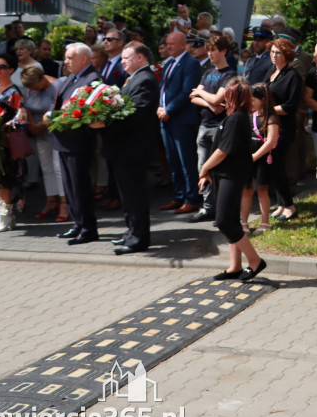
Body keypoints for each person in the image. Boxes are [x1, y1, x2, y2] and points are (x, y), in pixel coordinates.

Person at [200, 80, 267, 282]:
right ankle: (235, 266)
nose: (224, 98)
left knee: (223, 221)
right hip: (224, 174)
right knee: (231, 220)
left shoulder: (237, 118)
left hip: (232, 174)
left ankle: (255, 261)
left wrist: (204, 168)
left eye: (228, 95)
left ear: (233, 97)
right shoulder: (232, 117)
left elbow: (223, 150)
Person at [98, 43, 159, 254]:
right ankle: (131, 231)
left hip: (133, 148)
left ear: (140, 58)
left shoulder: (145, 80)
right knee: (127, 195)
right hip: (123, 148)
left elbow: (136, 114)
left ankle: (139, 238)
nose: (122, 61)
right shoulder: (135, 78)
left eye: (126, 58)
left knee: (135, 195)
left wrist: (105, 122)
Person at [52, 43, 102, 245]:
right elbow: (58, 100)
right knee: (69, 186)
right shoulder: (72, 77)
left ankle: (88, 228)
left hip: (78, 140)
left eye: (70, 57)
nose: (66, 61)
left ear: (84, 59)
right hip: (64, 139)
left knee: (79, 186)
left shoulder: (91, 78)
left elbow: (82, 108)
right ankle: (78, 223)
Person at [188, 36, 237, 224]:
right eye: (208, 50)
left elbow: (219, 99)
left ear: (223, 51)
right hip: (205, 124)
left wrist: (202, 94)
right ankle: (208, 207)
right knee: (203, 168)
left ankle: (221, 209)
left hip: (219, 126)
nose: (209, 54)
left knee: (218, 169)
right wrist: (208, 103)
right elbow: (193, 97)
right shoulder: (208, 72)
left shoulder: (229, 74)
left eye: (213, 50)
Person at [157, 31, 202, 216]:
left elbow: (187, 92)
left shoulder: (191, 64)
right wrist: (160, 107)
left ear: (183, 44)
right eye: (167, 43)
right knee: (173, 162)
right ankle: (179, 195)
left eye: (171, 44)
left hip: (182, 121)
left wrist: (169, 110)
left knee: (186, 162)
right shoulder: (169, 63)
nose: (168, 47)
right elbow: (164, 89)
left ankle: (191, 199)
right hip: (166, 120)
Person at [20, 66, 68, 222]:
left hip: (55, 132)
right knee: (46, 168)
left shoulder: (57, 86)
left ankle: (64, 203)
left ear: (42, 78)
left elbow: (61, 112)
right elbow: (27, 107)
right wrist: (32, 124)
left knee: (58, 167)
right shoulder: (32, 87)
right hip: (39, 132)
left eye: (34, 86)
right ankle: (50, 201)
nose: (33, 89)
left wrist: (38, 126)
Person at [266, 37, 304, 221]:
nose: (274, 55)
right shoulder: (272, 72)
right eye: (272, 52)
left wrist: (267, 110)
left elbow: (290, 105)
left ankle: (289, 206)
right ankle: (282, 204)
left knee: (276, 164)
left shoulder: (292, 76)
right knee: (272, 166)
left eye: (278, 52)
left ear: (287, 54)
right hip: (269, 125)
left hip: (284, 127)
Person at [0, 56, 25, 233]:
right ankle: (4, 215)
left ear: (11, 70)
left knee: (5, 178)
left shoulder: (14, 92)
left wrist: (5, 126)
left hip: (6, 141)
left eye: (3, 66)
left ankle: (6, 217)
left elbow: (20, 117)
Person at [240, 83, 280, 235]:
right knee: (246, 190)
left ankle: (265, 222)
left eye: (253, 100)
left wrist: (255, 157)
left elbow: (270, 141)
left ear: (263, 99)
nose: (250, 103)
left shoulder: (271, 118)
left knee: (262, 190)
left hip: (262, 159)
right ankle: (244, 222)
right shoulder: (250, 116)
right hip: (249, 157)